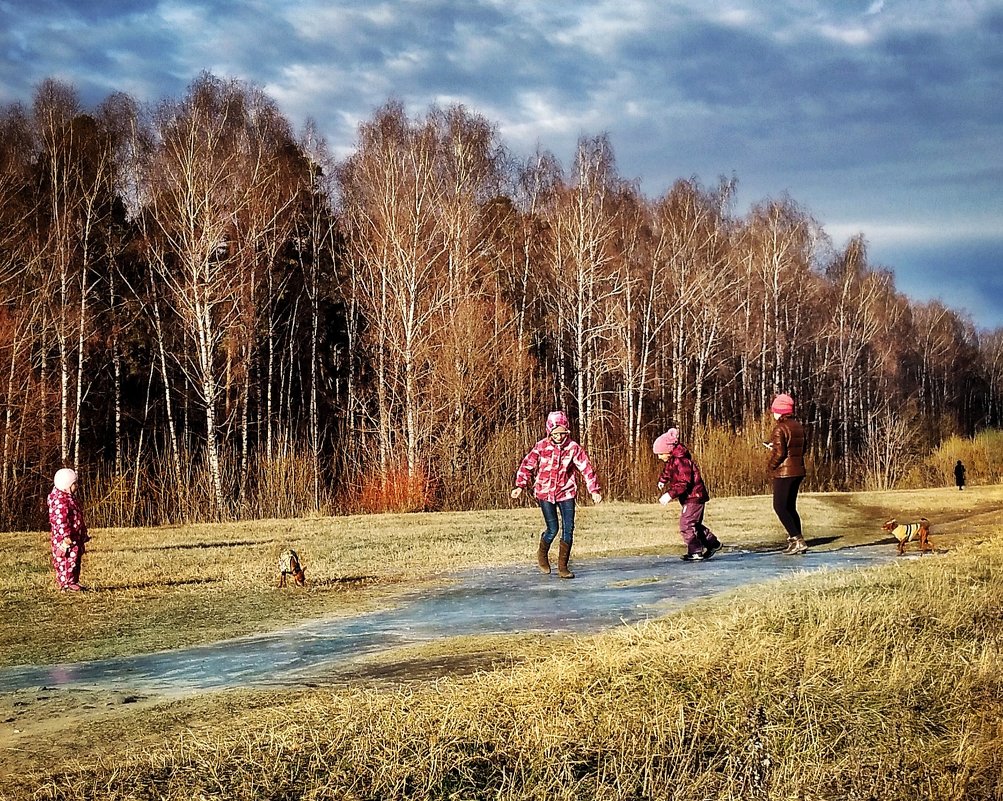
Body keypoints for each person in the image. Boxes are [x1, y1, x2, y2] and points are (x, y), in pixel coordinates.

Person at [511, 411, 602, 579]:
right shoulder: (541, 447)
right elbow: (527, 465)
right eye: (555, 433)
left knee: (569, 529)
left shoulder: (573, 448)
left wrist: (594, 490)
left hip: (566, 492)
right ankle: (542, 553)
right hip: (545, 493)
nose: (559, 437)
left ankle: (563, 567)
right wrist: (520, 485)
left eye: (562, 433)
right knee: (553, 529)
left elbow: (586, 468)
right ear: (549, 432)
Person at [653, 428, 723, 561]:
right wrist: (663, 480)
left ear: (668, 451)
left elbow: (684, 482)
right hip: (690, 497)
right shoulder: (673, 460)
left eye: (660, 454)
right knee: (693, 524)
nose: (659, 457)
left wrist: (670, 494)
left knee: (686, 524)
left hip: (694, 497)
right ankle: (713, 543)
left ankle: (695, 551)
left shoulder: (681, 461)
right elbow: (668, 471)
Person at [767, 393, 808, 555]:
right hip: (798, 469)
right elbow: (801, 448)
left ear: (780, 411)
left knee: (780, 506)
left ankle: (797, 539)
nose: (773, 414)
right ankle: (796, 540)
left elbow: (781, 453)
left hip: (785, 472)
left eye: (775, 410)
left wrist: (771, 466)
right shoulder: (798, 426)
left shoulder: (780, 428)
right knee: (790, 507)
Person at [47, 467, 90, 591]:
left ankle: (73, 581)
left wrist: (83, 533)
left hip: (75, 536)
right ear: (66, 485)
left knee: (75, 560)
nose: (76, 486)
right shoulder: (60, 501)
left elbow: (77, 516)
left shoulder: (70, 498)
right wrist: (65, 536)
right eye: (74, 484)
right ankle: (66, 583)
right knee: (65, 560)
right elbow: (60, 521)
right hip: (65, 539)